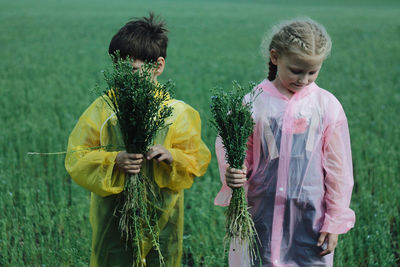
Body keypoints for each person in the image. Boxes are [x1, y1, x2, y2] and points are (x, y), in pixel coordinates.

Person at [65, 13, 211, 267]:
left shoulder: (177, 113)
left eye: (132, 70)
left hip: (163, 215)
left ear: (158, 65)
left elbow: (197, 158)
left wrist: (172, 156)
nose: (124, 78)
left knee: (160, 259)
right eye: (117, 69)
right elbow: (77, 156)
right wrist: (114, 160)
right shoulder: (104, 109)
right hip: (114, 215)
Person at [214, 18, 355, 267]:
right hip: (260, 214)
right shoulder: (252, 103)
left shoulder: (326, 106)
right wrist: (233, 172)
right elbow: (234, 151)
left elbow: (339, 172)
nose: (304, 79)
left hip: (309, 219)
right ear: (275, 57)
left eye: (313, 72)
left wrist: (334, 222)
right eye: (296, 71)